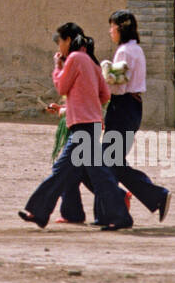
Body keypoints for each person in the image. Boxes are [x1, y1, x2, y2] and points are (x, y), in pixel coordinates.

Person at [60, 10, 172, 224]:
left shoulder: (124, 52)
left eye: (112, 26)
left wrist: (103, 73)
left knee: (104, 163)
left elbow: (117, 84)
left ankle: (133, 204)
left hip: (121, 109)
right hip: (131, 109)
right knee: (110, 161)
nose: (110, 31)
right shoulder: (136, 49)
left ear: (120, 28)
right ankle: (141, 201)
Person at [19, 22, 133, 231]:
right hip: (91, 124)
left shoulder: (73, 59)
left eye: (60, 42)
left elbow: (62, 86)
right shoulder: (90, 61)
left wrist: (58, 67)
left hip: (81, 126)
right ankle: (119, 216)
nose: (59, 47)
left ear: (68, 40)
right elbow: (105, 95)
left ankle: (39, 211)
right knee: (99, 176)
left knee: (62, 170)